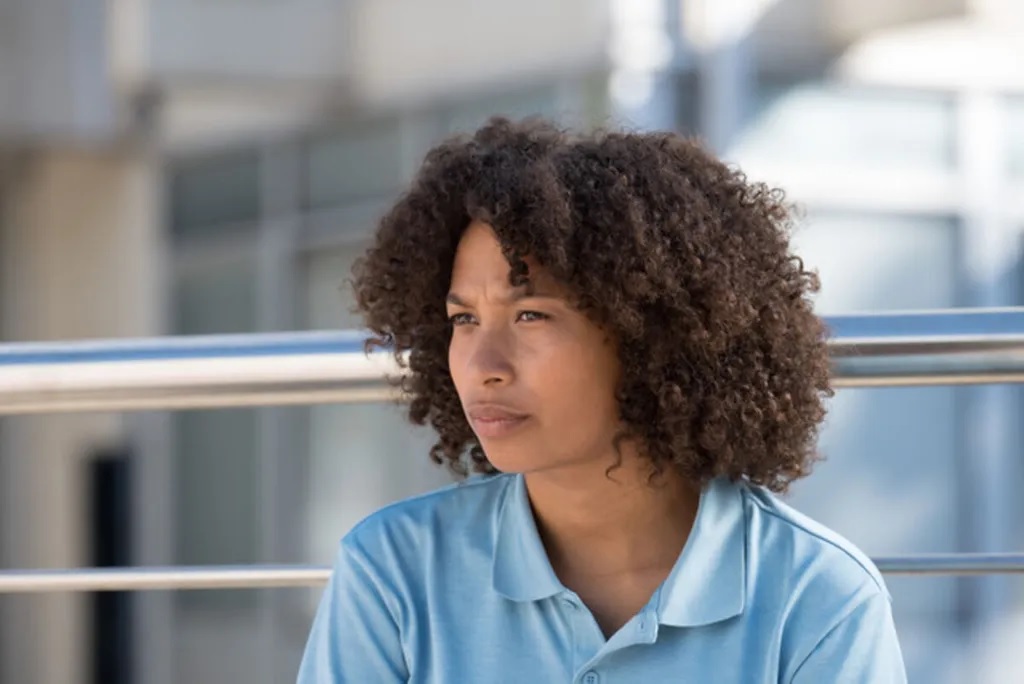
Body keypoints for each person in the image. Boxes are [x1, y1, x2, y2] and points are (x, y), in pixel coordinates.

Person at [296, 118, 906, 683]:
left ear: (653, 331)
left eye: (531, 314)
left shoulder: (819, 598)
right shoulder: (392, 573)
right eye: (463, 319)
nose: (482, 367)